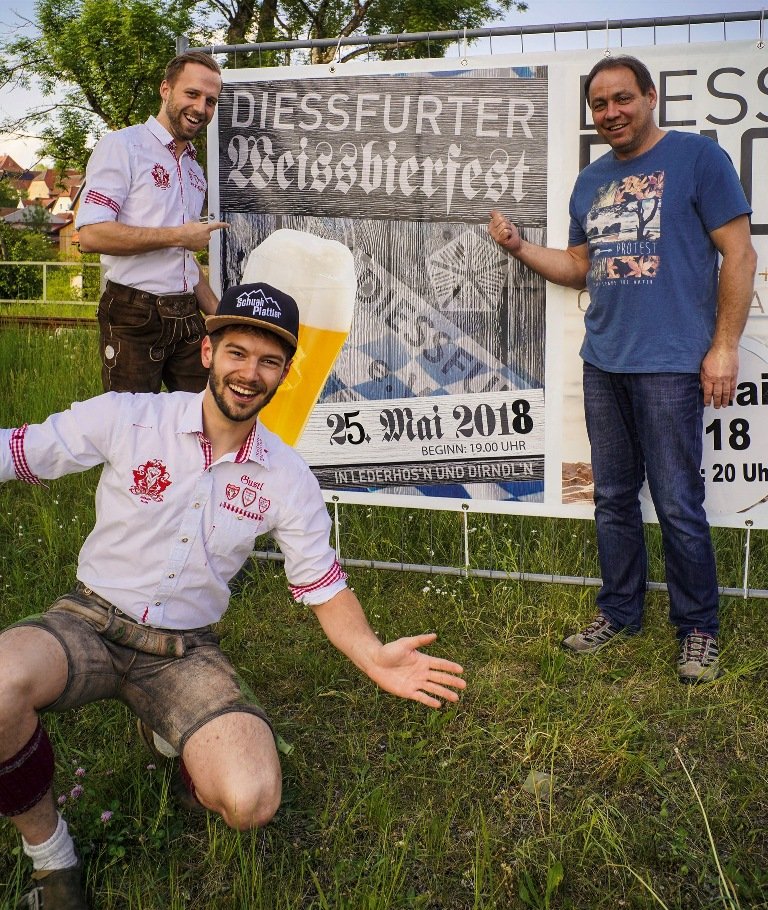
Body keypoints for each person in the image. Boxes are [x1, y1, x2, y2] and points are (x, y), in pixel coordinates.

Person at [0, 281, 466, 910]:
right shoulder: (131, 417)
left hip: (183, 651)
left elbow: (322, 583)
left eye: (269, 361)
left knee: (250, 801)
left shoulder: (287, 474)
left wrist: (372, 653)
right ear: (208, 351)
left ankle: (167, 728)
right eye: (238, 352)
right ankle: (52, 861)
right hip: (89, 619)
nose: (250, 373)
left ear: (284, 373)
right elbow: (21, 452)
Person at [488, 54, 756, 684]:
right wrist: (521, 247)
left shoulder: (698, 158)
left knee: (677, 502)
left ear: (650, 96)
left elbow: (740, 255)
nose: (611, 113)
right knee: (611, 499)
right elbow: (582, 265)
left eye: (622, 100)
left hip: (670, 366)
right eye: (600, 105)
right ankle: (620, 612)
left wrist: (723, 345)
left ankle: (697, 629)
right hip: (603, 363)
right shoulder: (591, 182)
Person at [76, 50, 229, 394]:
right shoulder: (123, 146)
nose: (201, 108)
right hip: (133, 315)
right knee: (133, 430)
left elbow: (184, 257)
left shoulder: (194, 170)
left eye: (210, 101)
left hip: (187, 313)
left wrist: (223, 320)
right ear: (165, 89)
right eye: (192, 94)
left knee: (202, 419)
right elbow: (91, 235)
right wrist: (179, 236)